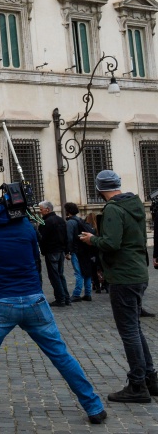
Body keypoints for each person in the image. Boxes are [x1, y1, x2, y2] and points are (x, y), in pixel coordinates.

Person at [0, 189, 106, 427]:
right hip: (32, 298)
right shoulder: (25, 225)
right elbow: (33, 255)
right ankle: (94, 406)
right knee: (60, 354)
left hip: (0, 302)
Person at [79, 170, 157, 402]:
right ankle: (150, 378)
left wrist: (91, 239)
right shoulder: (134, 204)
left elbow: (112, 243)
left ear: (99, 188)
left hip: (124, 276)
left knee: (129, 331)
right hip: (137, 272)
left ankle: (137, 385)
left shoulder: (113, 209)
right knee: (135, 328)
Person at [38, 200, 71, 307]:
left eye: (41, 209)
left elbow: (42, 238)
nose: (40, 212)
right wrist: (66, 250)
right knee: (60, 275)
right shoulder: (61, 220)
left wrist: (43, 250)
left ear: (47, 209)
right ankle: (66, 298)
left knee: (54, 276)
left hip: (51, 251)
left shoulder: (46, 222)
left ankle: (60, 298)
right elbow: (66, 237)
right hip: (60, 250)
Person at [64, 202, 94, 302]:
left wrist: (67, 251)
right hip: (85, 249)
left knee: (78, 273)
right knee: (87, 272)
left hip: (76, 251)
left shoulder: (70, 222)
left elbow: (69, 238)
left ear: (67, 211)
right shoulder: (80, 220)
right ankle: (88, 293)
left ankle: (76, 294)